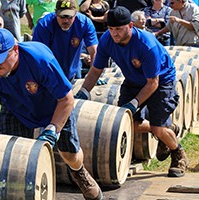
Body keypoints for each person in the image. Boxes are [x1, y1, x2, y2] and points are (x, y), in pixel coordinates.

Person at [0, 28, 103, 200]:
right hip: (16, 109)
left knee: (70, 155)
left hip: (54, 107)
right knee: (13, 157)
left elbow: (67, 99)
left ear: (15, 50)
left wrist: (53, 129)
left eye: (0, 58)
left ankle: (79, 173)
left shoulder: (39, 59)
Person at [75, 6, 188, 177]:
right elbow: (96, 70)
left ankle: (178, 153)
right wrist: (83, 92)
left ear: (130, 26)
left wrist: (135, 102)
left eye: (119, 29)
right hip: (134, 81)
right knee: (125, 122)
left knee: (158, 128)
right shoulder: (107, 40)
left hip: (161, 81)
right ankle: (166, 129)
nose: (114, 33)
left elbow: (153, 83)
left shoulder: (146, 44)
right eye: (111, 29)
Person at [33, 0, 98, 81]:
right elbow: (38, 55)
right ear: (56, 13)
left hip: (72, 69)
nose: (66, 21)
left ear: (75, 13)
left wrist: (93, 76)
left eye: (69, 17)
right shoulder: (45, 25)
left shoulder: (84, 23)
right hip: (49, 73)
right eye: (62, 17)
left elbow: (94, 51)